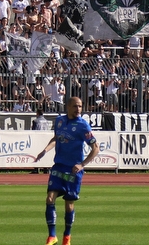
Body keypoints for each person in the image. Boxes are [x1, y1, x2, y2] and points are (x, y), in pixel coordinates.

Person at [35, 97, 100, 245]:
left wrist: (82, 165)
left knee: (69, 205)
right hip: (58, 166)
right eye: (75, 106)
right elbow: (56, 138)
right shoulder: (59, 121)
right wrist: (44, 151)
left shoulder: (83, 126)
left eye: (80, 106)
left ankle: (67, 237)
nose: (78, 109)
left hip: (73, 170)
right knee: (49, 198)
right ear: (68, 107)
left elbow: (95, 148)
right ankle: (52, 236)